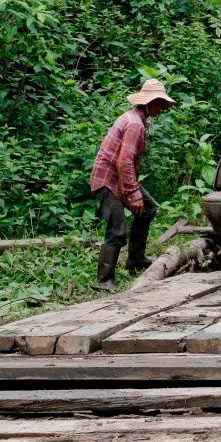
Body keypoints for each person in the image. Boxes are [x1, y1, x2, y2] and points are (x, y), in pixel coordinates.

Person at [89, 78, 176, 291]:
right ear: (151, 103)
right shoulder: (135, 124)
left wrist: (133, 191)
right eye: (159, 105)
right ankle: (103, 280)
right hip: (107, 180)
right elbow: (124, 161)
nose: (161, 109)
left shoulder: (137, 118)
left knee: (148, 209)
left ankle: (136, 259)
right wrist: (133, 193)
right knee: (118, 230)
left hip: (119, 177)